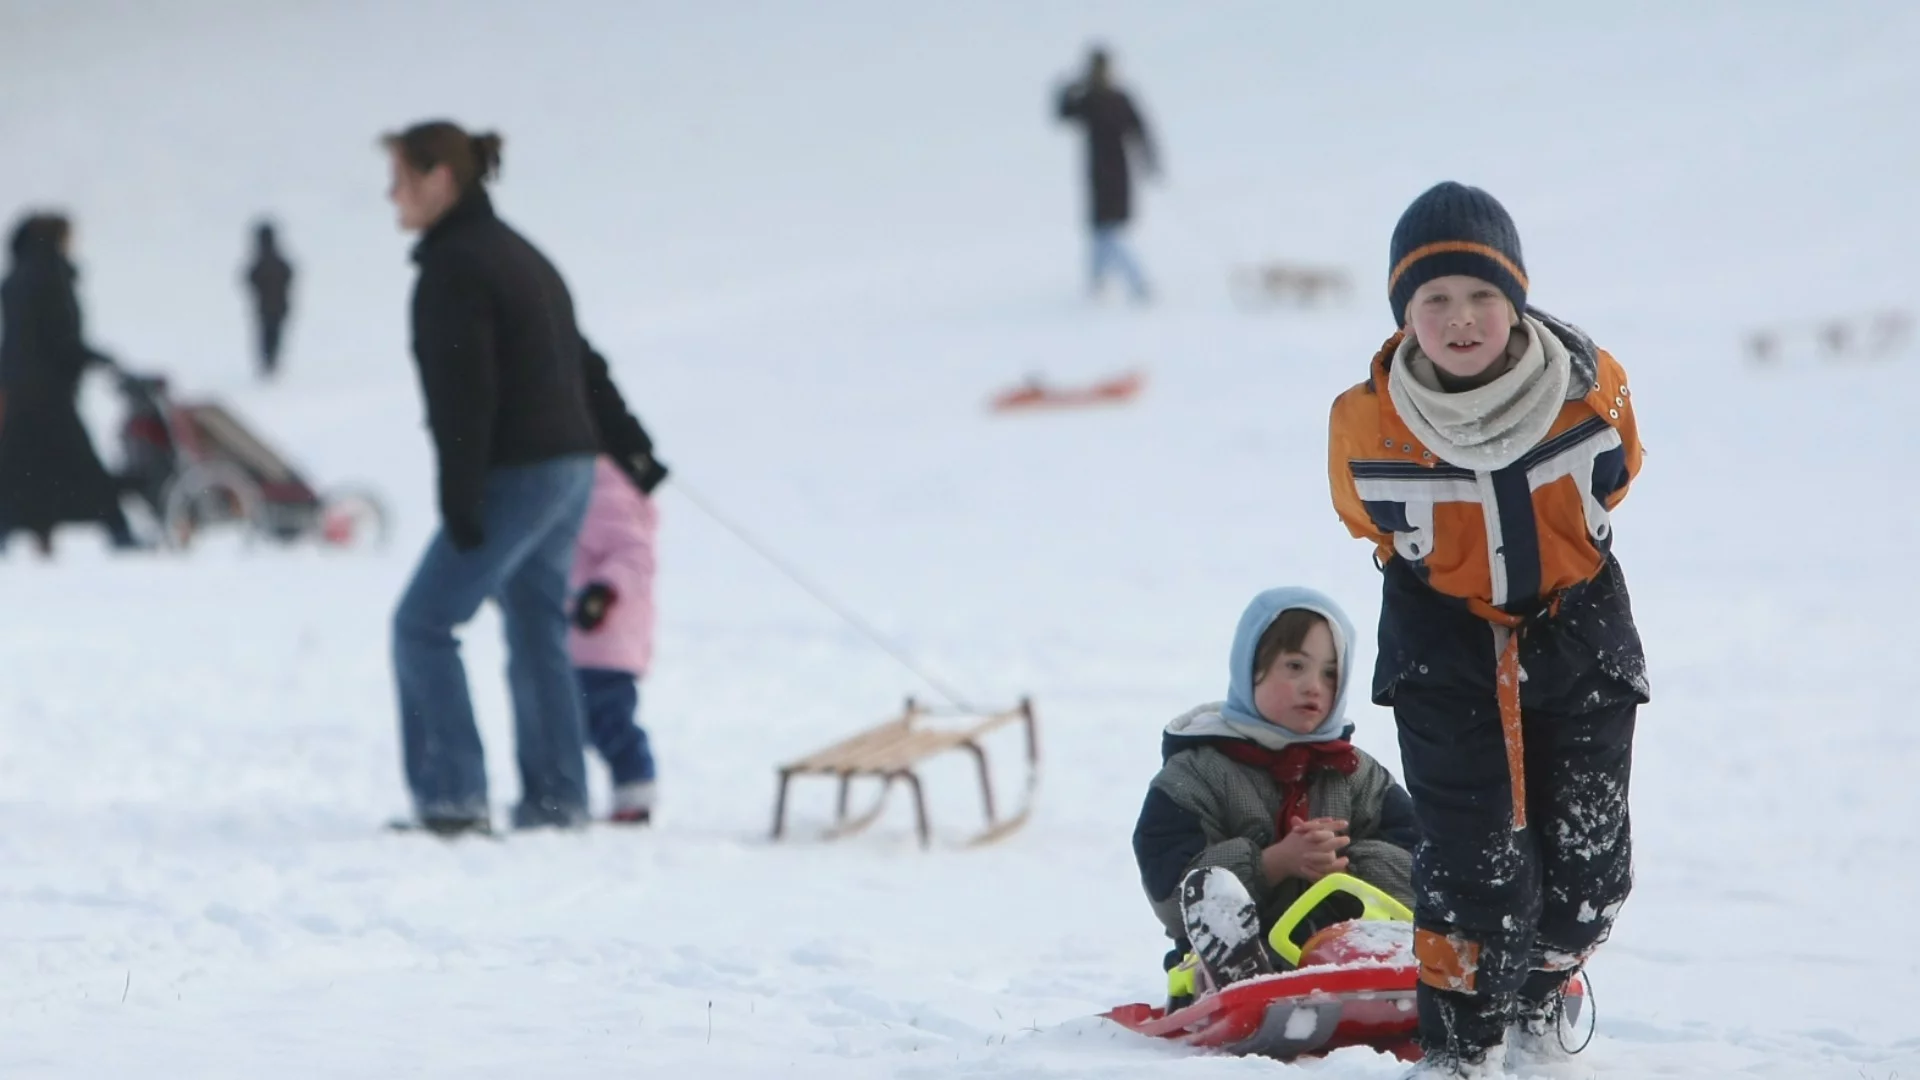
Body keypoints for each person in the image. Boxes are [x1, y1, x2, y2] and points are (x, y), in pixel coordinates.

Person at [1327, 182, 1646, 1075]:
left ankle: (1543, 990)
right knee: (1473, 867)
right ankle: (1461, 1048)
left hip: (1576, 626)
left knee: (1587, 872)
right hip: (1444, 643)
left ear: (1517, 303)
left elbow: (1617, 477)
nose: (1461, 320)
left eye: (1481, 297)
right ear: (1405, 315)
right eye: (1435, 301)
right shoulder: (1365, 422)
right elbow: (1366, 517)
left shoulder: (1591, 388)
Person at [384, 120, 601, 836]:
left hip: (522, 469)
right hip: (570, 466)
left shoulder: (458, 267)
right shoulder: (520, 254)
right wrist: (627, 448)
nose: (392, 196)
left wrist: (461, 492)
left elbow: (464, 390)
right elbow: (583, 363)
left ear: (440, 179)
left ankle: (453, 799)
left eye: (402, 180)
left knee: (422, 623)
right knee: (536, 624)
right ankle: (557, 797)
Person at [1132, 587, 1416, 996]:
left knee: (1430, 892)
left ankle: (1392, 972)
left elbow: (1421, 860)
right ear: (1249, 669)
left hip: (1342, 952)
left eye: (1330, 672)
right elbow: (1170, 891)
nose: (1313, 686)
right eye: (1295, 665)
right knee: (1210, 889)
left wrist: (1347, 864)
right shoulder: (1196, 773)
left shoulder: (1354, 772)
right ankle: (1229, 979)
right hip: (1243, 955)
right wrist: (1271, 863)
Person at [0, 212, 139, 556]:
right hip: (48, 394)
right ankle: (118, 530)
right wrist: (94, 358)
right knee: (80, 463)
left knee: (19, 470)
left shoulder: (18, 278)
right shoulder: (50, 277)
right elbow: (58, 339)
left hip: (19, 391)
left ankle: (28, 533)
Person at [570, 341, 668, 824]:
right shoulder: (588, 480)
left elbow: (633, 553)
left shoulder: (603, 483)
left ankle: (637, 792)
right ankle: (623, 794)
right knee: (587, 722)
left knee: (609, 721)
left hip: (605, 635)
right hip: (584, 638)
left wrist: (601, 593)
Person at [1054, 45, 1158, 303]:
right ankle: (1096, 283)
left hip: (1117, 173)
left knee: (1109, 232)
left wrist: (1150, 160)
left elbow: (1140, 129)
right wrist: (1069, 88)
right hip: (1097, 173)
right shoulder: (1090, 100)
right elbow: (1064, 113)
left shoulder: (1117, 99)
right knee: (1099, 231)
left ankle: (1136, 281)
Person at [243, 220, 294, 378]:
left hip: (268, 306)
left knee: (268, 335)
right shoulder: (274, 260)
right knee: (271, 335)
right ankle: (269, 362)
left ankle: (269, 362)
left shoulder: (263, 260)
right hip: (273, 305)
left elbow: (250, 278)